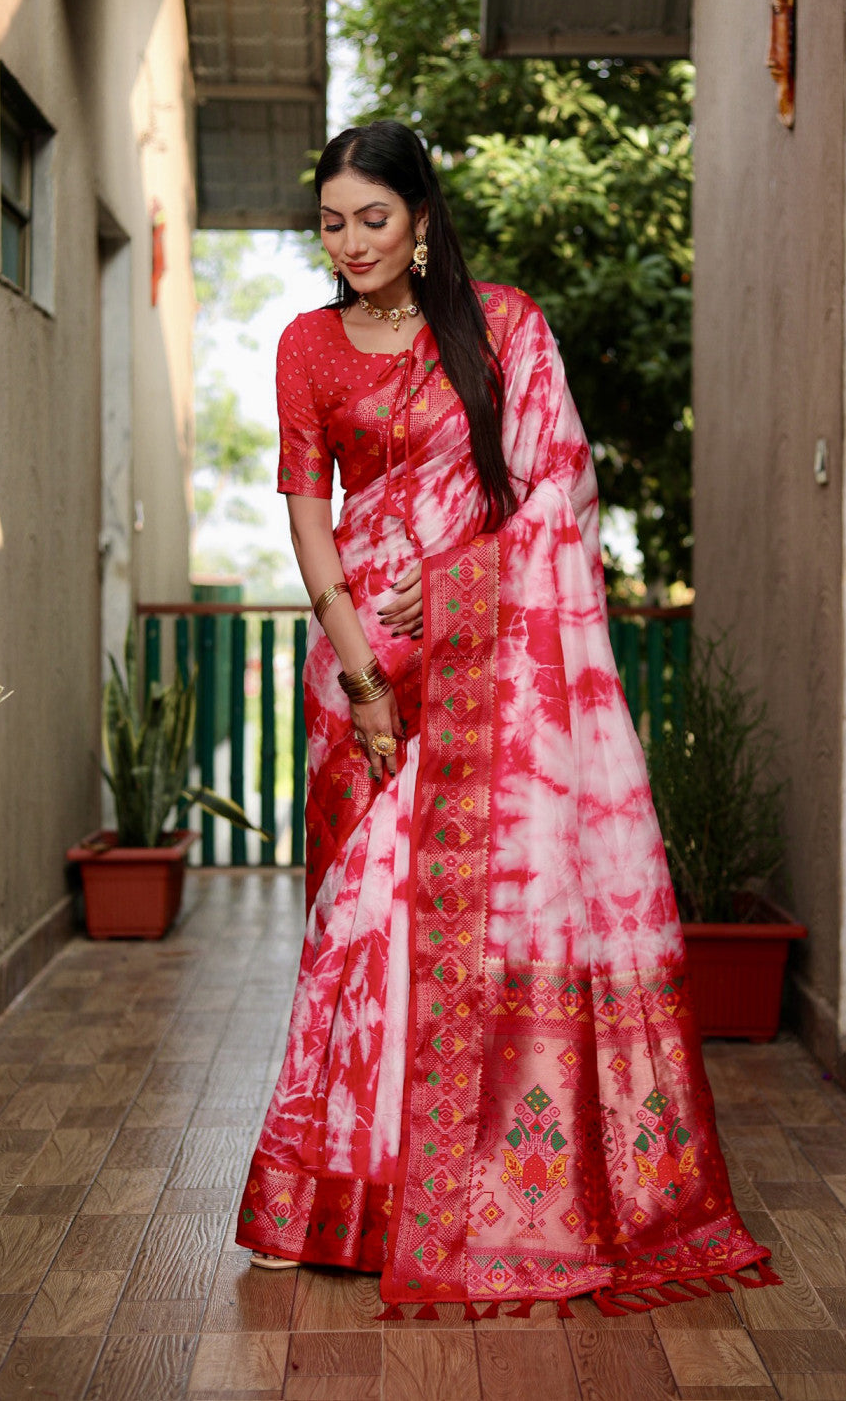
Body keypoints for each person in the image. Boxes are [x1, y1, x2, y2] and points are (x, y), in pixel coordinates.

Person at [234, 121, 775, 1316]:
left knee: (440, 927)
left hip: (489, 663)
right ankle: (334, 1199)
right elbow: (308, 516)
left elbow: (558, 492)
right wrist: (362, 671)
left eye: (374, 218)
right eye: (331, 223)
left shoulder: (504, 331)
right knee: (356, 931)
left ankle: (477, 1197)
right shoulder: (307, 346)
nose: (352, 243)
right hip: (360, 663)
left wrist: (458, 583)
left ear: (422, 220)